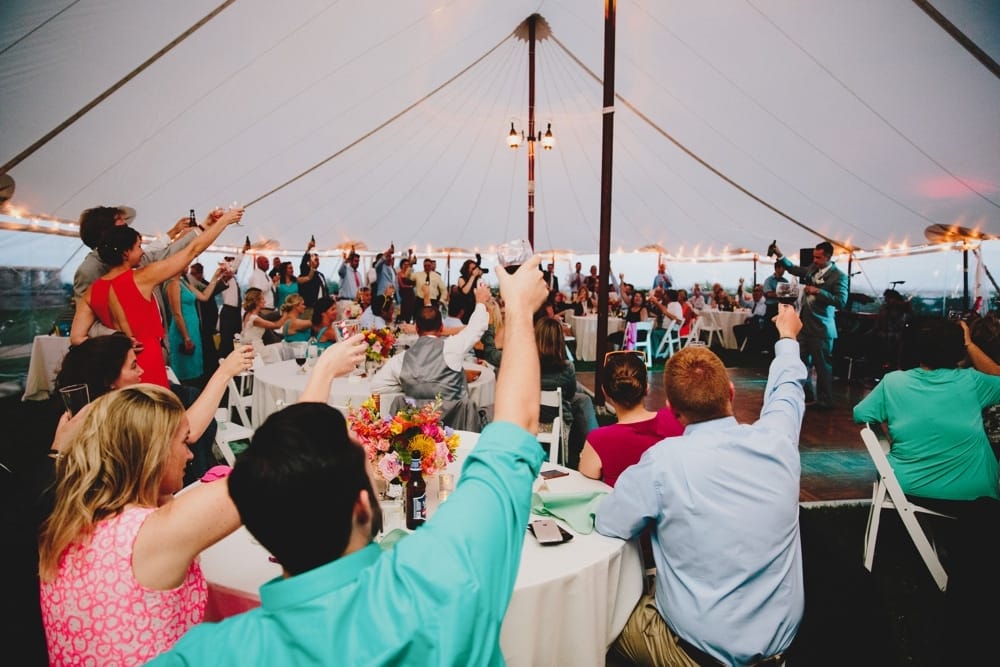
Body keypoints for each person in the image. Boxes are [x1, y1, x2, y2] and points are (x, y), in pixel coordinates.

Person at [148, 257, 549, 666]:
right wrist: (518, 309)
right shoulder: (440, 578)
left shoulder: (214, 654)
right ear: (362, 503)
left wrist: (322, 372)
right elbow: (516, 426)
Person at [597, 304, 806, 666]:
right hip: (778, 653)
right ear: (730, 392)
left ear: (673, 411)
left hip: (696, 656)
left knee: (600, 617)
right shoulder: (778, 442)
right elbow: (788, 389)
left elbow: (610, 523)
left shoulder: (664, 462)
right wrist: (787, 338)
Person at [854, 317, 1000, 663]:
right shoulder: (971, 383)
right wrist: (969, 344)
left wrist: (899, 428)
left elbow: (862, 414)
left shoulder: (893, 383)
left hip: (911, 490)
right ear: (957, 350)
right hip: (974, 496)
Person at [70, 208, 244, 387]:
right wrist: (224, 222)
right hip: (146, 359)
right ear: (124, 252)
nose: (144, 252)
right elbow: (192, 251)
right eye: (138, 247)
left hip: (120, 370)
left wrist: (114, 346)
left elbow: (76, 338)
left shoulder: (95, 290)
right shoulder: (141, 277)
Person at [371, 281, 491, 430]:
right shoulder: (452, 348)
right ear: (441, 327)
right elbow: (476, 329)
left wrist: (412, 384)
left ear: (416, 328)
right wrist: (480, 302)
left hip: (418, 437)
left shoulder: (401, 360)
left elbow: (376, 386)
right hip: (459, 434)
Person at [73, 205, 196, 338]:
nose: (128, 229)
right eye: (122, 226)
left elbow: (168, 253)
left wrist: (201, 229)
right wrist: (123, 337)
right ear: (106, 233)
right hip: (124, 351)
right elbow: (87, 324)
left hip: (157, 343)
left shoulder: (136, 257)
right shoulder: (89, 270)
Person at [578, 350, 683, 486]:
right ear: (647, 388)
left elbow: (587, 476)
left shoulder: (599, 440)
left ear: (605, 392)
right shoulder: (674, 419)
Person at [770, 240, 848, 409]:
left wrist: (819, 291)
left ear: (828, 257)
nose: (815, 260)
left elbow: (841, 301)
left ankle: (824, 401)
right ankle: (805, 395)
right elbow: (793, 268)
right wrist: (779, 254)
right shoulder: (813, 269)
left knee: (822, 368)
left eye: (818, 258)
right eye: (814, 257)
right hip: (804, 327)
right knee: (799, 362)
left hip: (821, 328)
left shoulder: (839, 276)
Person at [166, 263, 224, 383]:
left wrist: (215, 277)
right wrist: (186, 338)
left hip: (193, 330)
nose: (187, 264)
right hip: (182, 332)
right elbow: (177, 314)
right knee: (184, 372)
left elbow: (204, 296)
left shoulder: (183, 282)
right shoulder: (173, 283)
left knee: (195, 369)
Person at [240, 287, 290, 354]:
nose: (265, 301)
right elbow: (277, 325)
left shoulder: (248, 314)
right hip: (256, 349)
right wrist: (286, 315)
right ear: (257, 301)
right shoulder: (254, 318)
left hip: (253, 346)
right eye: (263, 299)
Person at [298, 238, 331, 312]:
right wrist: (308, 249)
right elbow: (303, 264)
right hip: (310, 306)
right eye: (315, 259)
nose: (317, 261)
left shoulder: (320, 275)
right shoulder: (306, 272)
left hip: (322, 306)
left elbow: (325, 289)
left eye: (318, 260)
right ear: (309, 262)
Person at [451, 258, 485, 325]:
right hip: (465, 309)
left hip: (475, 308)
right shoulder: (461, 279)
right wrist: (473, 276)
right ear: (466, 269)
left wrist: (479, 276)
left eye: (475, 268)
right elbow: (465, 291)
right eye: (472, 268)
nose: (474, 270)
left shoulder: (477, 279)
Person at [336, 250, 363, 319]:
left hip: (356, 303)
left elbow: (361, 289)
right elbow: (340, 271)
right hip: (345, 302)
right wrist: (346, 260)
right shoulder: (345, 271)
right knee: (345, 326)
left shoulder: (359, 274)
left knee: (354, 326)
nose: (357, 263)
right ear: (350, 261)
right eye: (355, 261)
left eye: (358, 261)